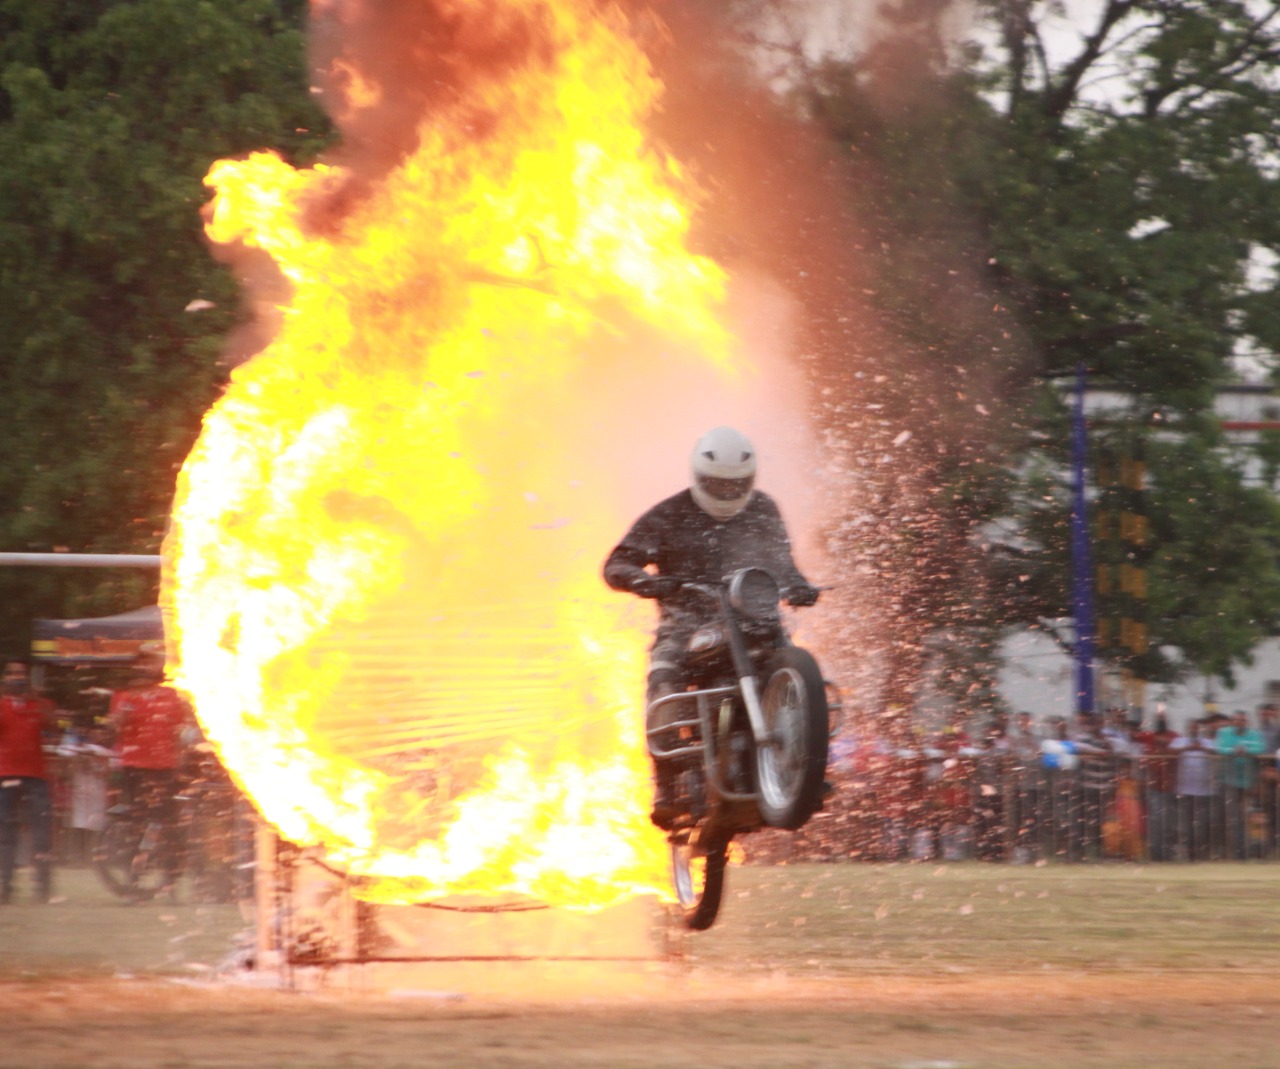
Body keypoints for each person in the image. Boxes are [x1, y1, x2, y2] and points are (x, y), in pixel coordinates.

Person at [602, 426, 820, 828]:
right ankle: (666, 786)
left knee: (797, 665)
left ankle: (807, 765)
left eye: (733, 484)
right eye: (715, 484)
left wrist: (799, 585)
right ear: (697, 477)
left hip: (755, 619)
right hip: (686, 624)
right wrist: (646, 582)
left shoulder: (763, 510)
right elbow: (617, 564)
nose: (724, 492)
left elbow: (783, 563)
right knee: (663, 683)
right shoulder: (668, 514)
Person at [108, 646, 192, 896]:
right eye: (142, 664)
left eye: (151, 664)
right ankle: (133, 881)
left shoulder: (171, 696)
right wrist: (125, 710)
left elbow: (184, 729)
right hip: (133, 767)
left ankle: (170, 882)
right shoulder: (124, 696)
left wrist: (183, 755)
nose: (145, 668)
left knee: (167, 825)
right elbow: (113, 726)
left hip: (165, 768)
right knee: (137, 825)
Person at [0, 658, 59, 903]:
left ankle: (43, 886)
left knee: (41, 832)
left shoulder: (40, 704)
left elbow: (53, 725)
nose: (17, 678)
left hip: (36, 775)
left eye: (21, 673)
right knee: (5, 831)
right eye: (12, 673)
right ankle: (5, 885)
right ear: (5, 678)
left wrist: (36, 698)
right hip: (5, 774)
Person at [1215, 709, 1265, 860]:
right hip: (1229, 781)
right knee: (1232, 818)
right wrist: (1233, 750)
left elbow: (1260, 748)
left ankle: (1250, 851)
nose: (1239, 723)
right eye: (1236, 721)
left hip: (1249, 782)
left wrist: (1247, 750)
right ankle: (1235, 852)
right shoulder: (1224, 733)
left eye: (1242, 721)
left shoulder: (1254, 734)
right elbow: (1219, 748)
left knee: (1249, 817)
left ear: (1246, 722)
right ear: (1232, 722)